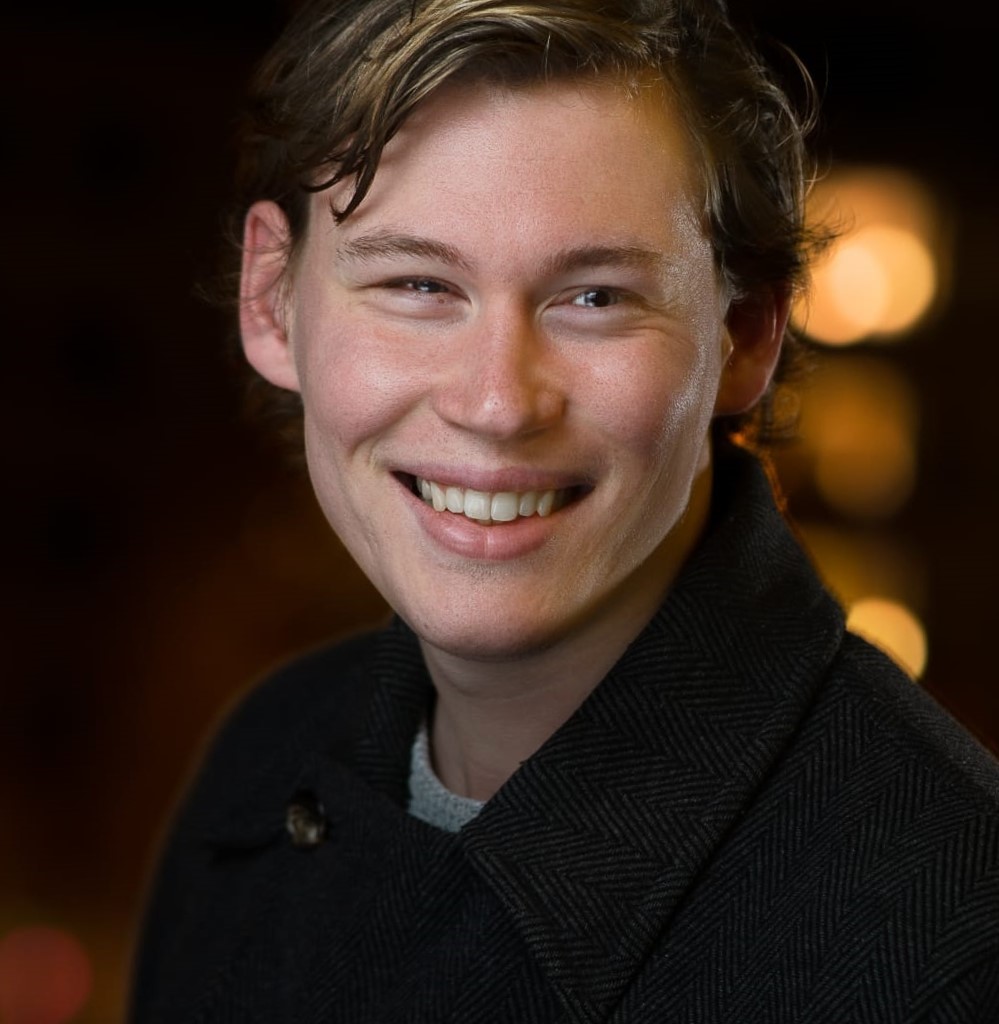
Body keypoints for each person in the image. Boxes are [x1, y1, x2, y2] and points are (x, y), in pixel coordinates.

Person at [130, 0, 999, 1020]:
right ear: (272, 299)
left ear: (749, 333)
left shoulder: (950, 943)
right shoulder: (260, 766)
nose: (498, 404)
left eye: (595, 297)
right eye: (417, 284)